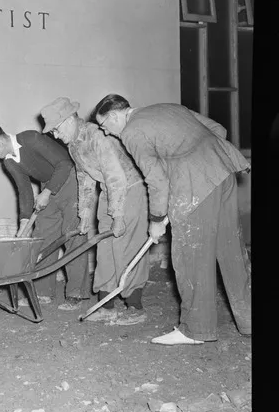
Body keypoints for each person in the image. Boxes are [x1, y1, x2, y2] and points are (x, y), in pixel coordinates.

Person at [94, 94, 251, 345]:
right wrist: (198, 157)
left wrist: (156, 219)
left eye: (104, 126)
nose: (107, 132)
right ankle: (249, 320)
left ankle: (195, 330)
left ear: (114, 116)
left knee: (190, 257)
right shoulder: (166, 107)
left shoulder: (131, 132)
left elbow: (156, 179)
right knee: (231, 250)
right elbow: (217, 129)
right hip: (223, 171)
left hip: (194, 184)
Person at [41, 97, 150, 325]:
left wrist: (118, 215)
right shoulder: (73, 145)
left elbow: (116, 176)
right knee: (105, 247)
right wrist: (84, 214)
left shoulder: (97, 137)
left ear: (69, 120)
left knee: (127, 246)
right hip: (108, 190)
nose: (55, 136)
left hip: (129, 188)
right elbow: (85, 178)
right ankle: (106, 305)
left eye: (56, 129)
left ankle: (135, 307)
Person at [0, 123, 91, 307]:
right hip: (48, 185)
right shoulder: (9, 161)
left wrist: (47, 192)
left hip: (70, 180)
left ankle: (76, 293)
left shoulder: (30, 138)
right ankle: (43, 291)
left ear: (0, 140)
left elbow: (65, 163)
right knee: (42, 237)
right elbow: (24, 190)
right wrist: (24, 221)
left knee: (73, 236)